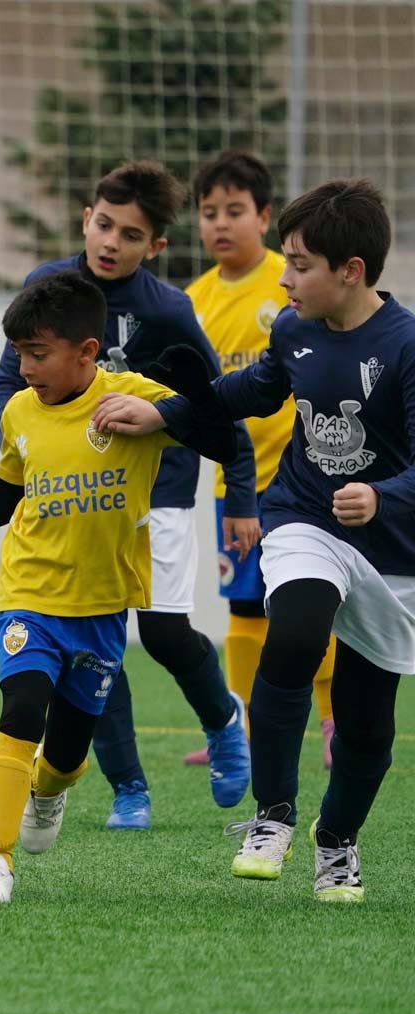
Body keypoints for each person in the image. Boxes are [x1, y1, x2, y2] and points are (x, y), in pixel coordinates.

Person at [0, 271, 239, 903]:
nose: (25, 368)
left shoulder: (133, 398)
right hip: (29, 594)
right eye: (19, 355)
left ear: (87, 351)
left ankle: (48, 790)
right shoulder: (19, 413)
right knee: (21, 709)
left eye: (38, 354)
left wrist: (186, 402)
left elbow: (223, 443)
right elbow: (7, 497)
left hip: (101, 609)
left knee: (64, 755)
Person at [93, 179, 415, 903]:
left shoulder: (406, 345)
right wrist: (165, 413)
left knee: (368, 723)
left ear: (351, 272)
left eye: (299, 264)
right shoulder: (294, 329)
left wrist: (382, 495)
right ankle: (271, 816)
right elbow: (252, 392)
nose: (286, 276)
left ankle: (337, 842)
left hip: (393, 546)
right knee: (293, 635)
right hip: (303, 515)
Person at [0, 160, 256, 832]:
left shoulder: (168, 310)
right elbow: (5, 385)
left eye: (130, 234)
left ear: (155, 247)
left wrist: (243, 494)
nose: (112, 241)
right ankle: (129, 787)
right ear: (86, 218)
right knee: (87, 634)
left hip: (156, 491)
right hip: (72, 497)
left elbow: (214, 405)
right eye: (104, 224)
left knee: (163, 632)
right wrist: (28, 445)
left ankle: (224, 717)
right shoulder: (44, 288)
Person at [181, 149, 336, 770]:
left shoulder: (292, 283)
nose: (221, 224)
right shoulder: (191, 302)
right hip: (235, 488)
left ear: (264, 216)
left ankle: (332, 721)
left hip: (302, 481)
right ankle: (235, 725)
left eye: (235, 211)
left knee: (309, 605)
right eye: (209, 212)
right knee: (245, 607)